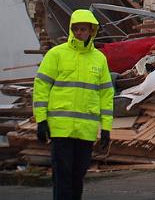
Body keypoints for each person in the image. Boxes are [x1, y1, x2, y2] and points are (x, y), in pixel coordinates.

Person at [33, 10, 114, 200]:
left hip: (85, 130)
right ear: (71, 30)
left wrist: (107, 128)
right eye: (76, 29)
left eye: (83, 29)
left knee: (78, 177)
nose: (79, 32)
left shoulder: (99, 59)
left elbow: (106, 94)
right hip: (61, 129)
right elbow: (41, 86)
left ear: (91, 31)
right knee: (62, 177)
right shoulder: (57, 54)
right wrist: (41, 120)